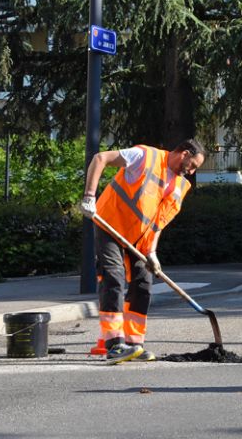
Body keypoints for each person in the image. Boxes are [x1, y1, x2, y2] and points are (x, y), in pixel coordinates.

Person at [80, 139, 206, 364]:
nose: (192, 171)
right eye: (193, 165)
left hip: (138, 241)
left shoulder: (180, 186)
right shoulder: (146, 157)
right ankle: (114, 345)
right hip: (110, 224)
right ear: (185, 153)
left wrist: (152, 252)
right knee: (113, 279)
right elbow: (100, 158)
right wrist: (90, 197)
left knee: (143, 285)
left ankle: (134, 344)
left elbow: (159, 222)